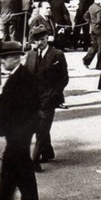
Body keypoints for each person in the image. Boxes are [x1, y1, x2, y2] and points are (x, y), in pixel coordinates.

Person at [0, 41, 40, 200]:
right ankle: (30, 198)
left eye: (4, 58)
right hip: (18, 129)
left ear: (16, 58)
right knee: (23, 163)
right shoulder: (18, 75)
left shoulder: (24, 77)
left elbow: (27, 106)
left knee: (9, 166)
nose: (2, 62)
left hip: (19, 130)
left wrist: (16, 130)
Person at [24, 27, 69, 170]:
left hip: (49, 97)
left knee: (42, 128)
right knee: (41, 127)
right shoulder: (30, 55)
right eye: (37, 40)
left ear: (47, 38)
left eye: (42, 39)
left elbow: (64, 78)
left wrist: (54, 94)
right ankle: (47, 152)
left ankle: (35, 161)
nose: (40, 42)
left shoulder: (57, 54)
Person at [82, 0, 101, 69]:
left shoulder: (91, 6)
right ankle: (100, 65)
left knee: (94, 46)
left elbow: (85, 16)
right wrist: (99, 23)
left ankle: (86, 60)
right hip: (100, 29)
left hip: (93, 29)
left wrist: (91, 22)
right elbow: (99, 20)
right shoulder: (99, 8)